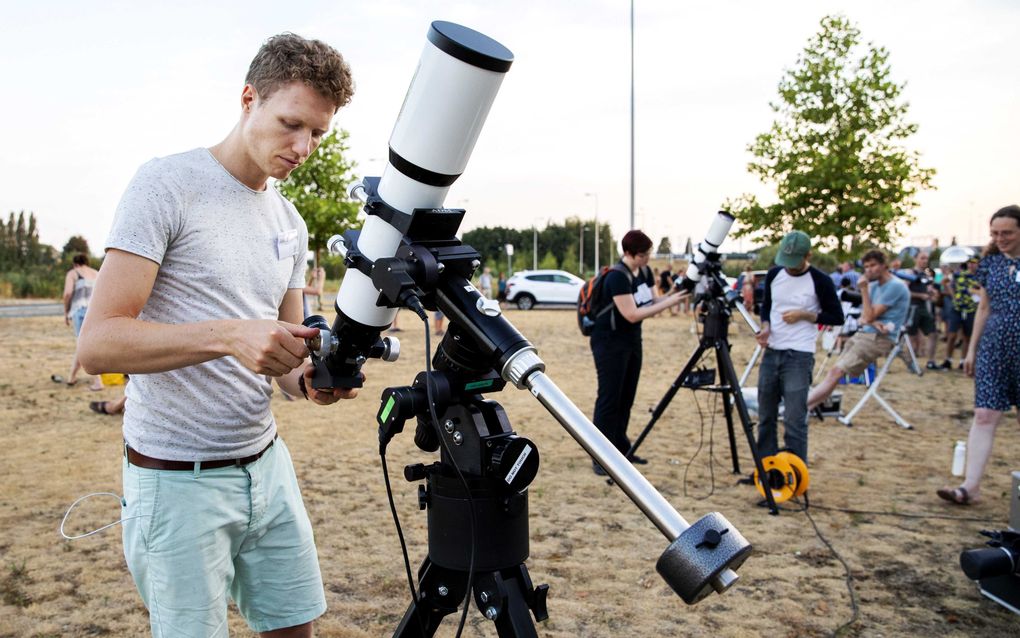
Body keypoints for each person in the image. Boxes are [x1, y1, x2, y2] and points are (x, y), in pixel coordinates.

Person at [78, 34, 357, 637]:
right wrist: (231, 335)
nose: (303, 147)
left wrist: (307, 377)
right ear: (248, 98)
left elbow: (278, 356)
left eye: (318, 134)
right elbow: (98, 342)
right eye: (291, 124)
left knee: (295, 629)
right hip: (177, 479)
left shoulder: (290, 221)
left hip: (267, 465)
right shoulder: (165, 185)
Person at [938, 205, 1020, 505]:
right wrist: (970, 350)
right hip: (993, 346)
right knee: (984, 414)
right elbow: (983, 308)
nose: (1000, 238)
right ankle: (969, 487)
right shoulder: (990, 263)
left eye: (1007, 232)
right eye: (995, 233)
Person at [590, 230, 687, 475]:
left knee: (627, 396)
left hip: (632, 341)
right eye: (644, 255)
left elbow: (654, 302)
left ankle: (621, 449)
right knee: (609, 398)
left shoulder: (643, 272)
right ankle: (600, 456)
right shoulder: (617, 277)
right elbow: (631, 314)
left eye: (648, 254)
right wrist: (672, 303)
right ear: (630, 253)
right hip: (609, 342)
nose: (647, 259)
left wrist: (676, 293)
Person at [755, 231, 843, 464]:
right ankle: (766, 468)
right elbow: (766, 307)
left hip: (799, 354)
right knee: (766, 416)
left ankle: (794, 470)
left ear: (808, 256)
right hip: (773, 350)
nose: (790, 269)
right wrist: (765, 327)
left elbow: (837, 316)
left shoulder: (820, 280)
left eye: (795, 264)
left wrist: (806, 315)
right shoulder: (775, 274)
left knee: (794, 418)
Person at [807, 250, 910, 410]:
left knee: (836, 372)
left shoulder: (894, 287)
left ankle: (798, 409)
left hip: (879, 339)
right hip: (866, 333)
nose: (869, 270)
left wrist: (863, 291)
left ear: (884, 265)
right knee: (834, 372)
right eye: (866, 266)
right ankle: (805, 408)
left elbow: (867, 316)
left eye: (873, 265)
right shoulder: (875, 285)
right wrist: (873, 321)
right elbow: (864, 317)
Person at [59, 254, 102, 390]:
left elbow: (67, 294)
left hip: (81, 310)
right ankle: (71, 377)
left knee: (83, 345)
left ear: (75, 264)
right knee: (86, 344)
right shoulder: (96, 273)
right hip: (96, 312)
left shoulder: (73, 273)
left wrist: (66, 312)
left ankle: (98, 381)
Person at [940, 257, 980, 369]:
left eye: (974, 263)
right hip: (957, 308)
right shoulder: (959, 275)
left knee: (967, 337)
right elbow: (948, 285)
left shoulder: (980, 277)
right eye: (969, 263)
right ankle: (948, 360)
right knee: (951, 335)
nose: (971, 265)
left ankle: (963, 361)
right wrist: (953, 296)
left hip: (971, 309)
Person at [903, 252, 938, 369]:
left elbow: (929, 289)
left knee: (933, 333)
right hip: (912, 308)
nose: (925, 261)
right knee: (911, 337)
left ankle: (931, 361)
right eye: (922, 258)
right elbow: (904, 292)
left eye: (926, 258)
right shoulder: (910, 274)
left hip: (923, 308)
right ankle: (910, 363)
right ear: (915, 259)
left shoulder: (926, 275)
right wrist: (920, 295)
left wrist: (932, 293)